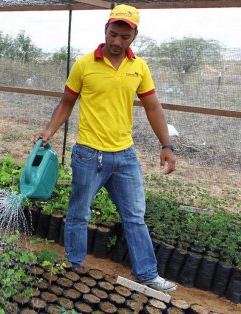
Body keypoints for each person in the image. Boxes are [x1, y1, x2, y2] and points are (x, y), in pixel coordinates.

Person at [35, 4, 177, 292]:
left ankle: (147, 273)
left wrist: (167, 145)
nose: (116, 42)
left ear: (134, 36)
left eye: (124, 37)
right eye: (113, 34)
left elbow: (152, 107)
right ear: (105, 30)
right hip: (89, 154)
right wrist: (49, 130)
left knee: (135, 216)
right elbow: (66, 102)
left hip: (125, 156)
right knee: (79, 213)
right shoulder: (85, 64)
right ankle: (74, 267)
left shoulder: (139, 68)